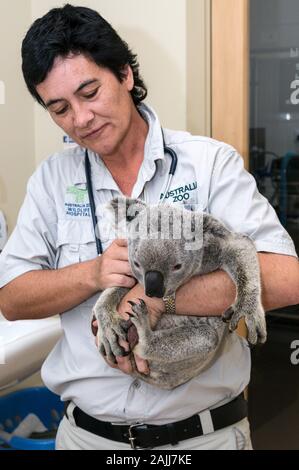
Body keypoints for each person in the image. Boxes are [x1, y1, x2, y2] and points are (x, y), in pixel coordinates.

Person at [0, 4, 298, 450]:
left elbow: (286, 279)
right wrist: (93, 273)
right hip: (87, 438)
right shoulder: (52, 181)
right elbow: (12, 298)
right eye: (59, 108)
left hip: (201, 437)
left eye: (90, 92)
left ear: (125, 74)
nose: (80, 119)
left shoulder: (208, 163)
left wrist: (152, 298)